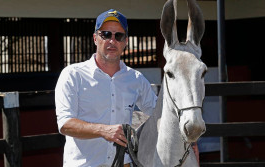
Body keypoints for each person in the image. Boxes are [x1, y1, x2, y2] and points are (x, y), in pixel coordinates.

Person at [55, 9, 199, 167]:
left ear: (125, 41)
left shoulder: (135, 79)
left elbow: (161, 116)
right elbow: (65, 124)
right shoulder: (72, 75)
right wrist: (103, 130)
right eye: (106, 34)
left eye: (119, 36)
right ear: (95, 38)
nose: (112, 41)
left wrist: (188, 143)